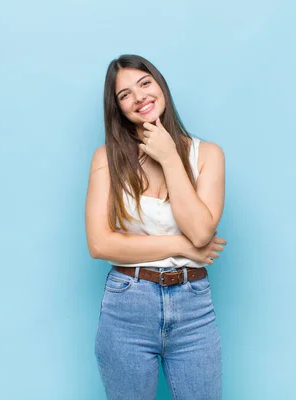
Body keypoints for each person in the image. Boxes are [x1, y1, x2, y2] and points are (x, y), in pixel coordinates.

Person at [85, 54, 228, 400]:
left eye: (145, 83)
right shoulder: (107, 158)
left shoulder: (208, 154)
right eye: (125, 95)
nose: (139, 97)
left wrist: (168, 156)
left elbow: (201, 233)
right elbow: (100, 245)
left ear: (160, 85)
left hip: (193, 306)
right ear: (119, 108)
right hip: (127, 304)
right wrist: (180, 247)